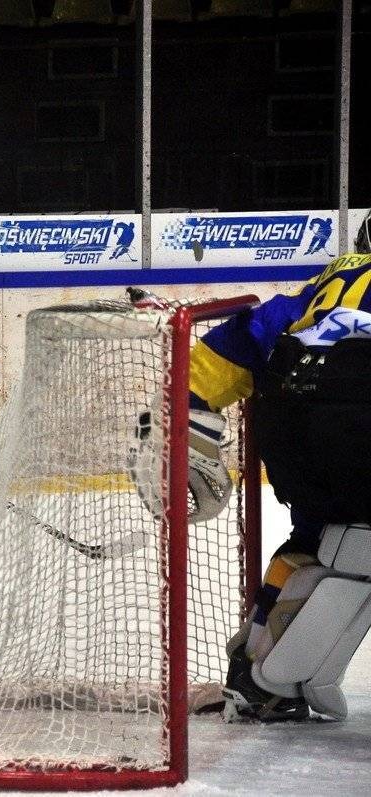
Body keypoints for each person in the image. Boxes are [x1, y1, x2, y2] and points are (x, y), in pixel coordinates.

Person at [140, 210, 371, 723]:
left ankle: (256, 672)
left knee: (315, 542)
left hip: (298, 450)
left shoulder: (321, 289)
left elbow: (234, 345)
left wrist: (184, 421)